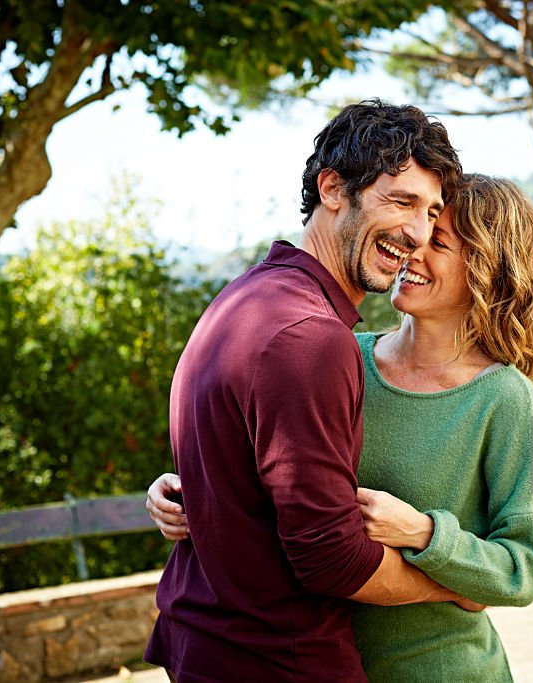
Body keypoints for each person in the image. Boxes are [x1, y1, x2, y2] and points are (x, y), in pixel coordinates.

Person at [149, 173, 533, 681]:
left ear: (485, 269)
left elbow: (523, 569)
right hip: (317, 663)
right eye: (416, 230)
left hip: (440, 670)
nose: (412, 247)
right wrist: (190, 492)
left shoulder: (505, 397)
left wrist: (423, 531)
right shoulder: (343, 355)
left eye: (439, 241)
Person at [142, 99, 467, 683]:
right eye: (402, 201)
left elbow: (235, 470)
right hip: (279, 660)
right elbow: (330, 557)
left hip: (210, 643)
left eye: (431, 212)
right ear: (333, 188)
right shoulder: (309, 337)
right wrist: (450, 585)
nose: (417, 234)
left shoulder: (245, 298)